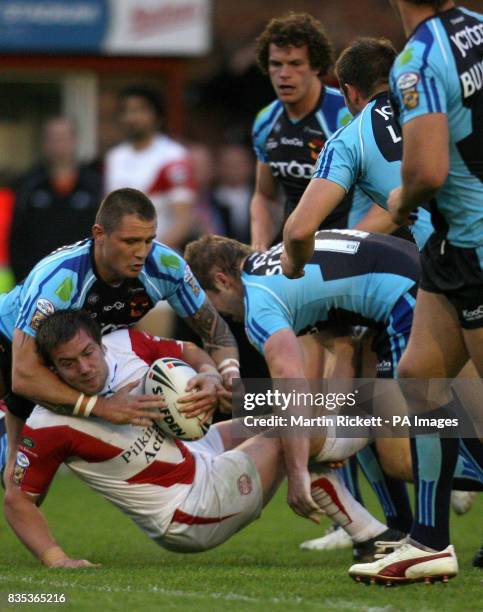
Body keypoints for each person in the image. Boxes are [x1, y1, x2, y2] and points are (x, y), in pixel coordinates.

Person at [5, 310, 394, 566]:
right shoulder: (48, 423)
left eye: (88, 353)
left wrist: (208, 374)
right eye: (68, 364)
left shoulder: (125, 342)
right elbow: (18, 500)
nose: (84, 368)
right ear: (52, 368)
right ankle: (381, 416)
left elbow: (189, 349)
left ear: (100, 342)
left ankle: (369, 537)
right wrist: (56, 559)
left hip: (198, 455)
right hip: (188, 511)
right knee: (288, 434)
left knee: (283, 417)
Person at [184, 231, 436, 552]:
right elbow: (345, 346)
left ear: (221, 280)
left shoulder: (259, 302)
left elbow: (291, 382)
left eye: (209, 303)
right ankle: (381, 536)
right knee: (362, 425)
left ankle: (448, 487)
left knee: (398, 457)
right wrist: (328, 426)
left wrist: (298, 471)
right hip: (415, 285)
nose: (217, 315)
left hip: (409, 300)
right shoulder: (279, 267)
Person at [348, 0, 483, 583]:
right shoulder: (478, 31)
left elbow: (425, 171)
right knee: (419, 375)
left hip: (475, 242)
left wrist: (397, 203)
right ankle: (429, 542)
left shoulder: (418, 57)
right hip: (452, 247)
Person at [0, 188, 239, 492]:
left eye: (149, 240)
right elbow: (22, 376)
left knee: (21, 486)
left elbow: (216, 332)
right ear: (99, 234)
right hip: (10, 347)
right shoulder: (59, 279)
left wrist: (221, 375)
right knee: (15, 478)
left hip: (75, 361)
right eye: (130, 241)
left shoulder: (166, 267)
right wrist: (101, 407)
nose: (141, 252)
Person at [282, 37, 434, 280]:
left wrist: (293, 264)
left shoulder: (349, 140)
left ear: (350, 92)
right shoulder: (435, 106)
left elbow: (299, 231)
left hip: (454, 253)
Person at [250, 12, 378, 251]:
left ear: (316, 66)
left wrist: (351, 244)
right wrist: (259, 246)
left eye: (295, 64)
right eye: (276, 64)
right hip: (297, 248)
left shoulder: (349, 116)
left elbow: (387, 198)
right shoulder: (265, 121)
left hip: (354, 245)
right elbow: (265, 196)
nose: (284, 74)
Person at [9, 117, 102, 283]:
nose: (59, 144)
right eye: (53, 138)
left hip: (84, 278)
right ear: (44, 143)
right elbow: (17, 237)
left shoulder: (94, 184)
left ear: (75, 140)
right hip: (38, 280)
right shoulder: (28, 184)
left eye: (63, 137)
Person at [104, 87, 195, 252]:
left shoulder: (173, 156)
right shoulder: (115, 157)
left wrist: (148, 252)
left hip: (159, 255)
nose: (132, 117)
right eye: (127, 111)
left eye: (140, 110)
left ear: (157, 116)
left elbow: (183, 220)